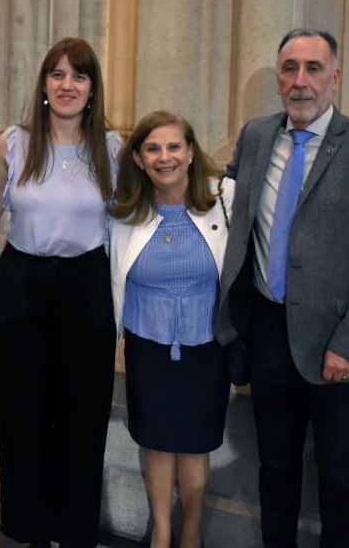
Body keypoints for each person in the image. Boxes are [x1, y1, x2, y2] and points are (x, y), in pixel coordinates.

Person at [215, 28, 349, 547]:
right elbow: (229, 203)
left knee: (338, 475)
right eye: (289, 68)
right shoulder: (256, 136)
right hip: (270, 332)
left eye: (313, 69)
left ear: (335, 78)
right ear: (278, 78)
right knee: (275, 468)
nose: (300, 81)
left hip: (339, 342)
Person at [0, 37, 121, 547]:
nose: (67, 85)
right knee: (22, 416)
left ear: (91, 88)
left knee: (82, 419)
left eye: (78, 76)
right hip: (21, 286)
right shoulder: (13, 143)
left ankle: (75, 532)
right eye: (57, 75)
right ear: (43, 85)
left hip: (85, 288)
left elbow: (131, 219)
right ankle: (31, 530)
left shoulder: (111, 148)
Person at [109, 110, 232, 548]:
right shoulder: (123, 213)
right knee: (158, 443)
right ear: (140, 159)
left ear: (191, 152)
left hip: (206, 348)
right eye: (153, 149)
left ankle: (192, 532)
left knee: (195, 444)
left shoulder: (223, 201)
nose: (165, 157)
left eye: (174, 146)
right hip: (148, 346)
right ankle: (162, 529)